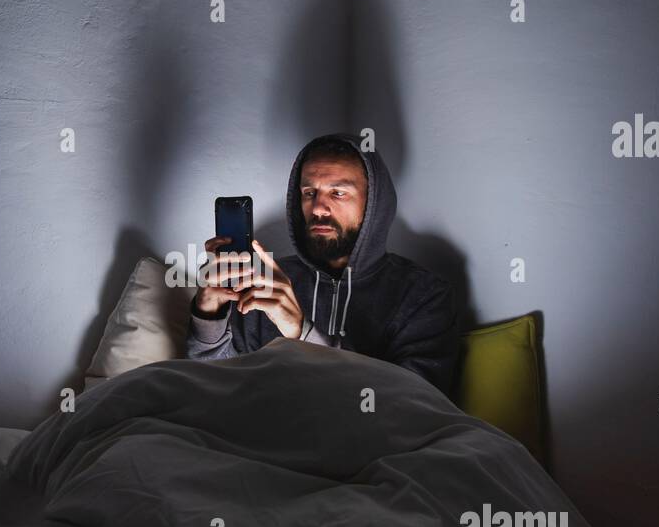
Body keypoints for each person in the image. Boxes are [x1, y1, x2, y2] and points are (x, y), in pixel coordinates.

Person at [186, 132, 463, 397]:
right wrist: (209, 315)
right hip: (261, 440)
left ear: (374, 204)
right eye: (309, 193)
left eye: (338, 193)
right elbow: (212, 387)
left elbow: (413, 408)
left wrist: (302, 333)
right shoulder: (267, 284)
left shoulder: (424, 296)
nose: (318, 208)